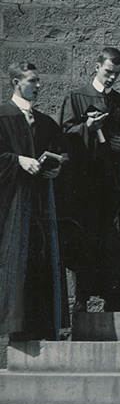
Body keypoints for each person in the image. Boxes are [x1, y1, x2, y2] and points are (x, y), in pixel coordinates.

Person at [58, 46, 120, 313]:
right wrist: (87, 129)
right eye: (109, 72)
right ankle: (82, 298)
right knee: (86, 238)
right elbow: (65, 135)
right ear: (96, 66)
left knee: (113, 238)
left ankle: (113, 297)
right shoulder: (77, 97)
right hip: (86, 182)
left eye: (117, 74)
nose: (112, 78)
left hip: (112, 182)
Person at [0, 63, 67, 340]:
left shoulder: (45, 121)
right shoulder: (2, 116)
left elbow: (62, 152)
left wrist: (57, 167)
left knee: (42, 259)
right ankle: (16, 328)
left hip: (41, 204)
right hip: (12, 205)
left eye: (39, 81)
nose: (38, 86)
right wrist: (17, 161)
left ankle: (44, 326)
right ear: (16, 82)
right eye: (32, 81)